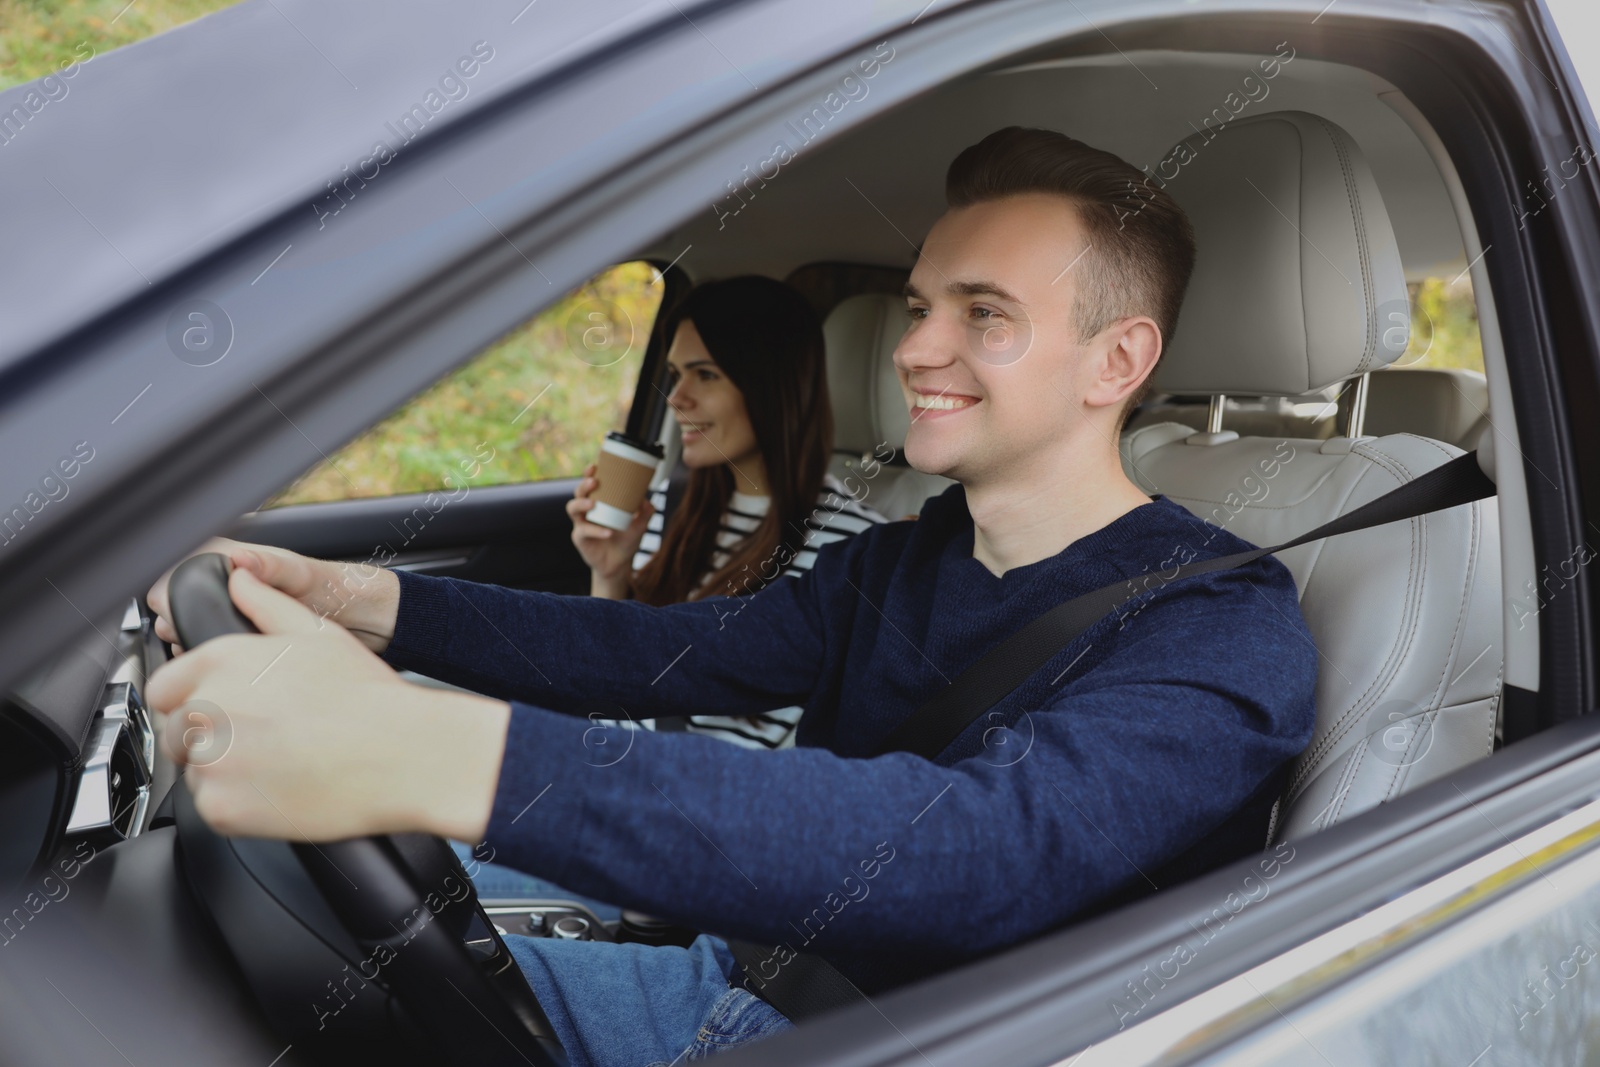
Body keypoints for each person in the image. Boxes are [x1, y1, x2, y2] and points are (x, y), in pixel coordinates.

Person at [145, 127, 1318, 1067]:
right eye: (918, 307)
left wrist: (424, 749)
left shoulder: (1220, 621)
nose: (915, 348)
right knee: (222, 953)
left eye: (983, 313)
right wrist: (361, 601)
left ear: (1116, 361)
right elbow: (662, 655)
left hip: (893, 1037)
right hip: (738, 975)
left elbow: (974, 851)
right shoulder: (908, 556)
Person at [567, 275, 887, 749]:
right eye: (677, 375)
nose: (676, 398)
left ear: (772, 387)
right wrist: (610, 573)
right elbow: (606, 682)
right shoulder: (670, 511)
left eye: (706, 374)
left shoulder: (853, 548)